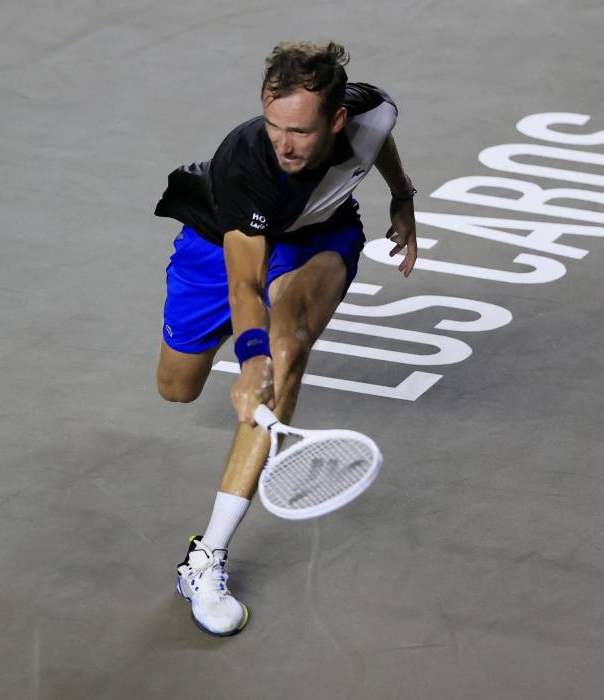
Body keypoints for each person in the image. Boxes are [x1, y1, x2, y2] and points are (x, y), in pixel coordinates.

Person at [153, 41, 418, 636]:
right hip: (218, 245)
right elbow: (244, 282)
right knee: (177, 387)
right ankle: (247, 350)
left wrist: (402, 195)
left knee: (288, 347)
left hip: (317, 238)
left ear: (337, 120)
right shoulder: (249, 162)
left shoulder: (372, 113)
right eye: (274, 126)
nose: (285, 143)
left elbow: (379, 146)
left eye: (300, 131)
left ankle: (206, 558)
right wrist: (247, 358)